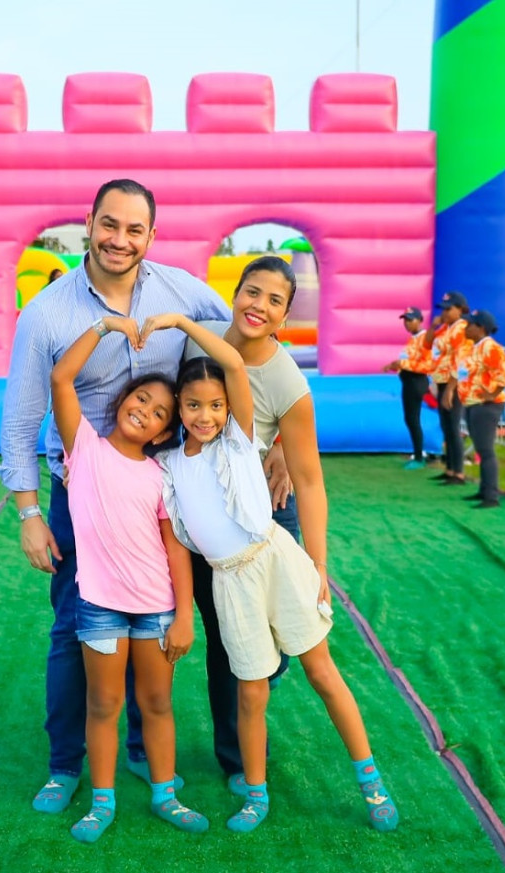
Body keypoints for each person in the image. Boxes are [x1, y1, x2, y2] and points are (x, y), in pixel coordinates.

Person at [0, 179, 230, 813]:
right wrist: (28, 513)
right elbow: (21, 419)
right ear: (89, 224)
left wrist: (273, 442)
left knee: (151, 618)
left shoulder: (182, 291)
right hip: (83, 494)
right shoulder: (48, 312)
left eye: (134, 229)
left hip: (160, 488)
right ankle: (64, 763)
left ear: (152, 235)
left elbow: (241, 343)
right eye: (109, 225)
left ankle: (138, 747)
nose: (119, 240)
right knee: (76, 627)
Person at [145, 311, 399, 835]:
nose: (205, 415)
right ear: (178, 409)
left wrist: (179, 323)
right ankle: (255, 793)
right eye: (193, 405)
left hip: (275, 560)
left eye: (215, 405)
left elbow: (235, 366)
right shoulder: (171, 465)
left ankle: (371, 781)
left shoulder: (238, 440)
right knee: (252, 691)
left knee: (321, 671)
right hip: (228, 581)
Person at [50, 315, 208, 843]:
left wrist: (184, 616)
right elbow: (60, 380)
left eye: (160, 413)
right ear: (123, 400)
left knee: (157, 703)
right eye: (140, 399)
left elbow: (176, 550)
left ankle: (166, 794)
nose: (145, 411)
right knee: (104, 705)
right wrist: (104, 326)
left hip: (157, 609)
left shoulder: (161, 475)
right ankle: (101, 802)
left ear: (166, 431)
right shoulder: (85, 449)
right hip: (98, 605)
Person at [181, 256, 323, 785]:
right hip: (203, 515)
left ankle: (262, 681)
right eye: (251, 292)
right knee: (226, 640)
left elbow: (310, 480)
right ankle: (237, 759)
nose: (258, 306)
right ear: (234, 293)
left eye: (274, 300)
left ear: (285, 314)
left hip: (265, 514)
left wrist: (318, 564)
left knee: (280, 640)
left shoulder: (286, 377)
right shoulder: (201, 342)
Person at [458, 309, 505, 509]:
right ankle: (484, 490)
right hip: (474, 403)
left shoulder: (490, 347)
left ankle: (491, 496)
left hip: (487, 405)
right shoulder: (476, 347)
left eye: (470, 324)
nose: (466, 327)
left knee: (486, 450)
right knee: (481, 448)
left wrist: (491, 394)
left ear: (480, 328)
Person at [424, 291, 471, 485]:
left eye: (449, 309)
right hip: (442, 381)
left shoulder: (462, 329)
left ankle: (458, 472)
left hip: (454, 384)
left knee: (453, 427)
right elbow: (427, 345)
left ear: (460, 309)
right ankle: (450, 468)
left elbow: (461, 361)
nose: (444, 312)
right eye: (443, 309)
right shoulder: (445, 328)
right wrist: (434, 325)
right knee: (446, 426)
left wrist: (451, 389)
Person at [382, 305, 434, 470]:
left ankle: (419, 456)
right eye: (405, 320)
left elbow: (426, 364)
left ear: (419, 320)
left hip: (416, 381)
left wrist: (402, 364)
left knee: (413, 418)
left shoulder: (424, 339)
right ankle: (417, 453)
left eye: (410, 320)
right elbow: (409, 361)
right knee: (410, 419)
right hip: (409, 381)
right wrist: (395, 366)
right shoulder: (413, 338)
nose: (407, 323)